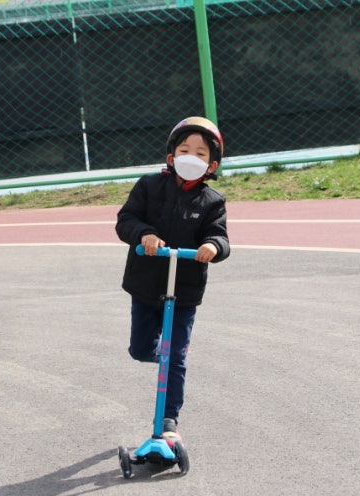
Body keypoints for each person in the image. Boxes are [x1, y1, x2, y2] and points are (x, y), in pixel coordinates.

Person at [115, 116, 230, 442]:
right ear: (171, 157)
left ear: (211, 165)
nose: (192, 157)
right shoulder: (148, 187)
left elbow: (221, 237)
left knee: (175, 356)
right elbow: (126, 220)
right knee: (140, 349)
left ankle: (169, 420)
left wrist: (212, 246)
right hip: (147, 283)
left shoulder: (213, 202)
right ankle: (160, 354)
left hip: (184, 290)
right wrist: (145, 234)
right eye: (185, 150)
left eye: (201, 153)